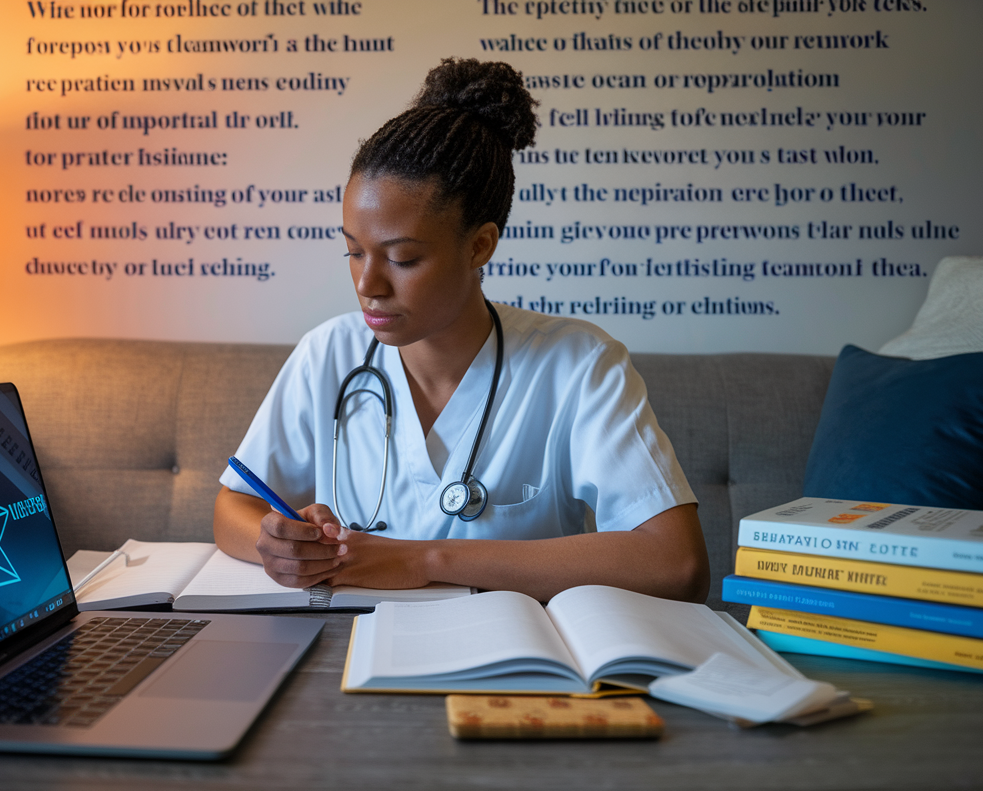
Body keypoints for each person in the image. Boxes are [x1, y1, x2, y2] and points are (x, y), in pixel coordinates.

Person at [214, 58, 708, 603]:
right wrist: (276, 542)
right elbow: (233, 507)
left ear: (480, 245)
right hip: (346, 648)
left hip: (513, 663)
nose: (368, 284)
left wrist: (422, 560)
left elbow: (677, 563)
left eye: (401, 259)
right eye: (353, 251)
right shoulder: (327, 354)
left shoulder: (579, 363)